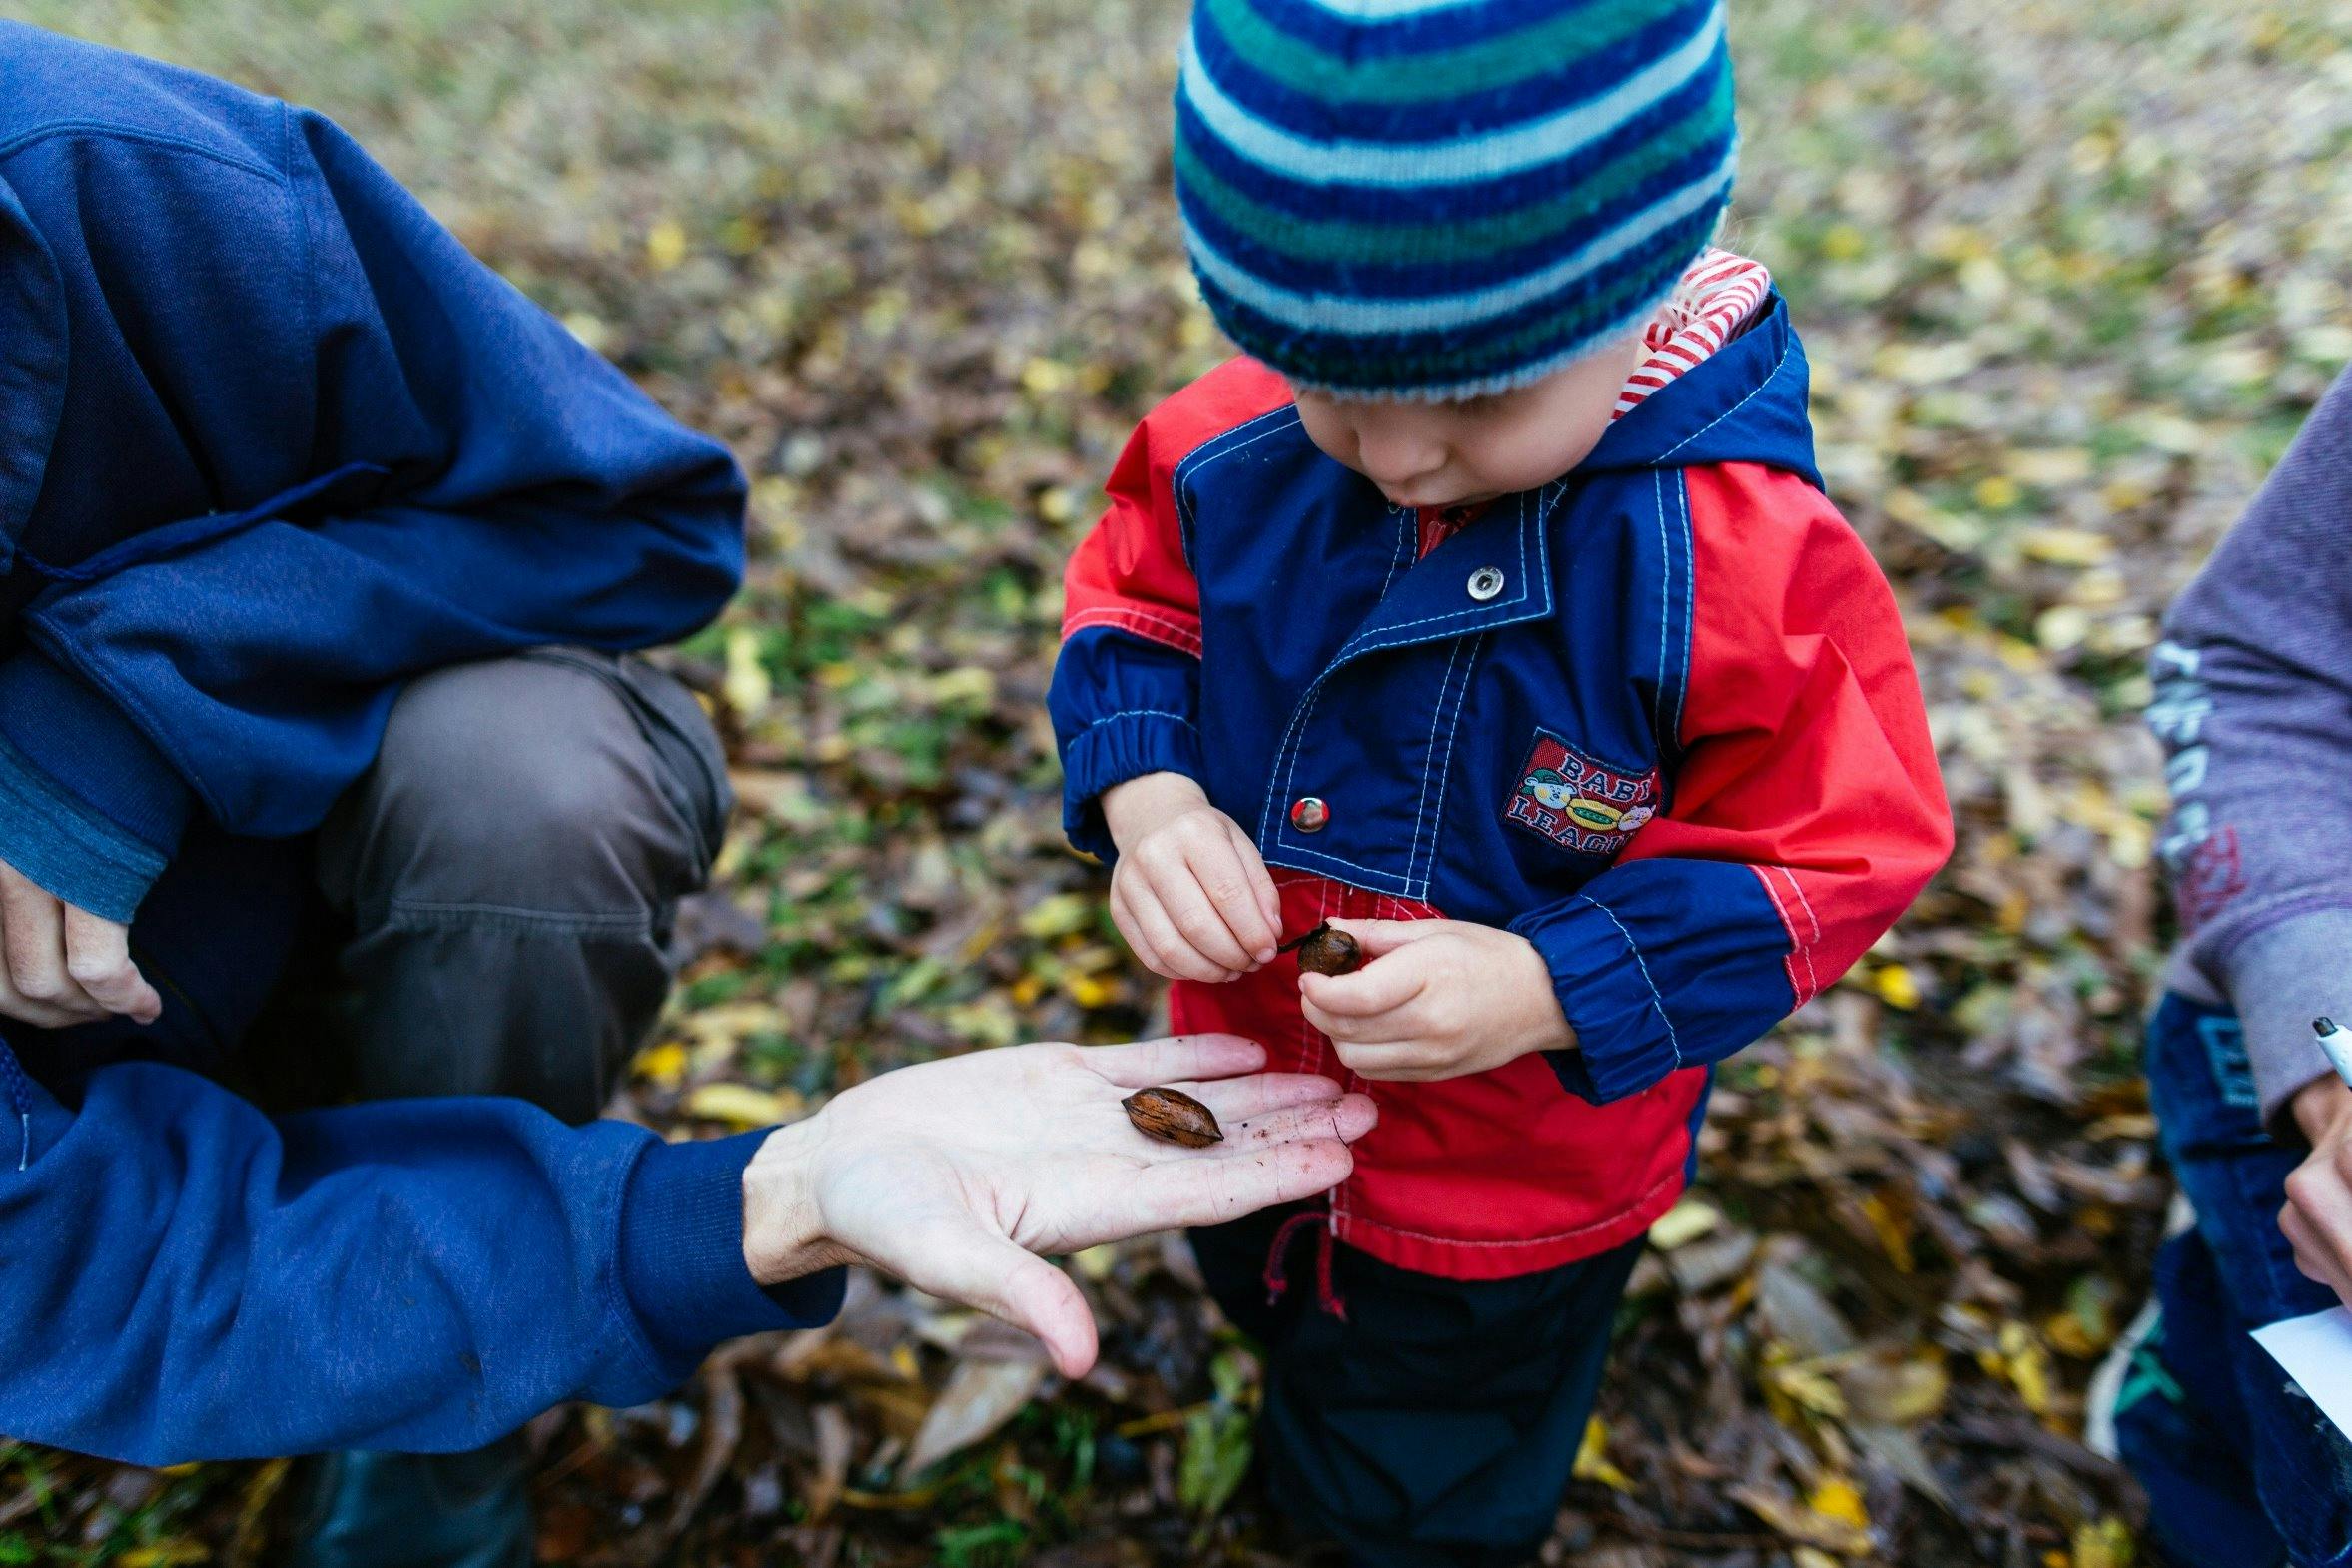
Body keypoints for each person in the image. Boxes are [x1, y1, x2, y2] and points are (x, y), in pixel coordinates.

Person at [0, 21, 1377, 1568]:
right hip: (78, 1062)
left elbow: (635, 512)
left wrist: (125, 697)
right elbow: (54, 1260)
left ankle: (440, 1397)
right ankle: (402, 1323)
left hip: (297, 849)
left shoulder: (106, 179)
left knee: (529, 786)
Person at [1045, 3, 1955, 1562]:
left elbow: (1831, 846)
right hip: (1241, 1061)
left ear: (1637, 296)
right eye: (1331, 389)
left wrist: (1551, 982)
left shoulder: (1726, 554)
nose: (1396, 454)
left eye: (1473, 401)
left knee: (1428, 1458)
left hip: (1508, 1184)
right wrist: (1152, 800)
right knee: (1269, 1298)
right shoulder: (1230, 450)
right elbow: (1133, 607)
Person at [2110, 366, 2352, 1567]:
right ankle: (2189, 1402)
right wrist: (2331, 1062)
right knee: (2262, 1471)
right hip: (2301, 1030)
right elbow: (2258, 671)